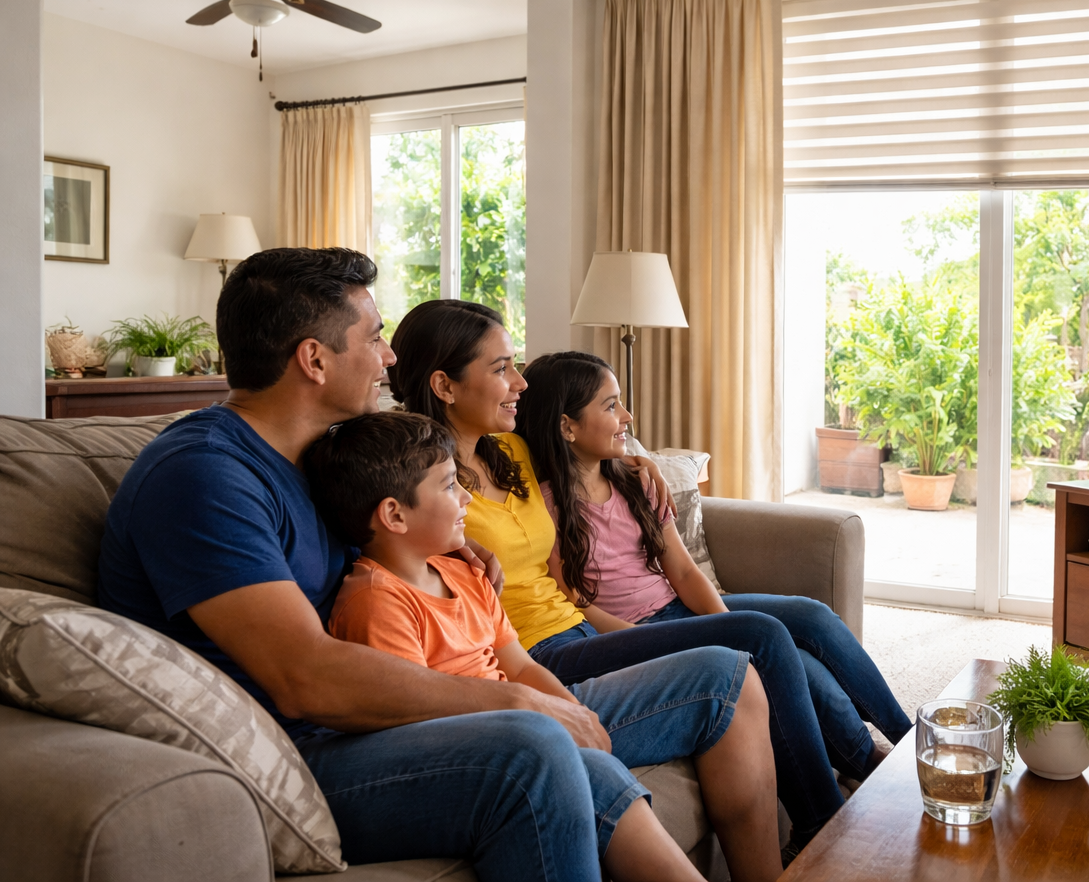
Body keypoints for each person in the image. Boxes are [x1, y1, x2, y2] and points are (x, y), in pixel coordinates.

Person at [95, 248, 772, 882]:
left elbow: (381, 537)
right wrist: (512, 698)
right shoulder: (205, 477)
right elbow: (304, 678)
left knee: (722, 675)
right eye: (373, 336)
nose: (391, 355)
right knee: (533, 748)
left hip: (392, 709)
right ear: (313, 359)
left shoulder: (326, 455)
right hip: (304, 755)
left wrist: (442, 546)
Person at [387, 299, 851, 857]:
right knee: (757, 636)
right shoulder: (417, 484)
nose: (520, 383)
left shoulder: (510, 448)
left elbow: (589, 434)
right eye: (501, 368)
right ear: (444, 384)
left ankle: (868, 772)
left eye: (516, 364)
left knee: (790, 633)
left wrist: (640, 459)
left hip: (579, 629)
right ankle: (827, 829)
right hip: (535, 650)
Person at [305, 411, 781, 882]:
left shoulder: (463, 570)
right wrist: (550, 726)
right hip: (487, 740)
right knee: (584, 767)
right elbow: (414, 725)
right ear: (393, 514)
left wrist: (575, 712)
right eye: (450, 486)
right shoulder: (376, 602)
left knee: (727, 673)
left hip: (524, 712)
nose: (468, 498)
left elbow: (518, 665)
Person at [516, 350, 912, 781]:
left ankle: (909, 743)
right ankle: (870, 766)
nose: (627, 415)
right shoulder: (546, 508)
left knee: (811, 616)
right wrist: (660, 642)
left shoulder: (637, 481)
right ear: (566, 425)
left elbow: (683, 573)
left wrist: (726, 629)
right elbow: (578, 606)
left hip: (678, 609)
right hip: (635, 635)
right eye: (611, 406)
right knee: (801, 663)